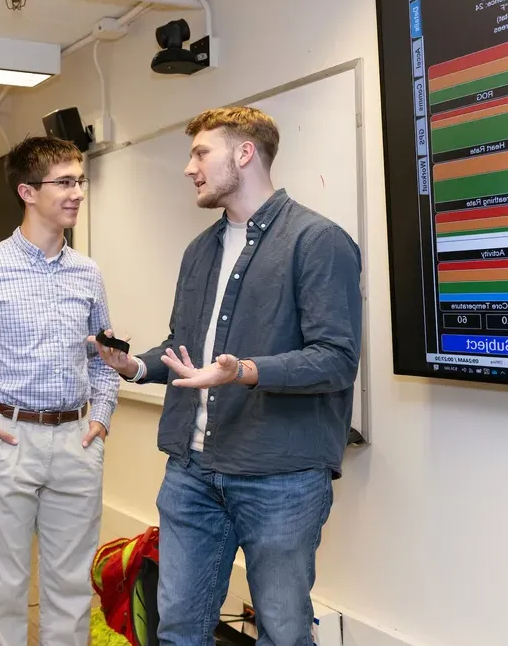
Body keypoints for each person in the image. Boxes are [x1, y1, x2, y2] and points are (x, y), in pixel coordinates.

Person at [91, 107, 363, 646]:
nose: (189, 168)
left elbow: (335, 358)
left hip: (280, 475)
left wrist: (245, 371)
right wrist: (137, 365)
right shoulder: (200, 250)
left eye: (200, 153)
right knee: (179, 630)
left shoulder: (317, 241)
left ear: (244, 154)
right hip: (192, 472)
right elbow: (183, 346)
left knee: (284, 632)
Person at [0, 135, 121, 646]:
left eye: (80, 180)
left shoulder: (88, 272)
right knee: (6, 589)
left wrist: (100, 419)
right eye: (65, 182)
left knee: (70, 591)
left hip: (78, 441)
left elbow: (104, 358)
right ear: (27, 191)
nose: (77, 192)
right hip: (8, 440)